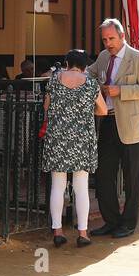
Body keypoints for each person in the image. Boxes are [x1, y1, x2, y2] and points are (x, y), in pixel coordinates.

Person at [87, 18, 139, 238]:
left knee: (132, 179)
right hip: (107, 121)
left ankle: (128, 224)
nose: (108, 43)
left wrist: (122, 91)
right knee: (103, 175)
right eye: (105, 39)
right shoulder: (103, 57)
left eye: (111, 38)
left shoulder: (138, 59)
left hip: (133, 126)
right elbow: (89, 73)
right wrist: (66, 74)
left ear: (122, 36)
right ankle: (111, 221)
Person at [41, 49, 108, 247]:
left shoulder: (54, 80)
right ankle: (83, 233)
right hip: (81, 139)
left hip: (57, 138)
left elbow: (47, 107)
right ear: (85, 66)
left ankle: (58, 231)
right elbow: (103, 110)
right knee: (81, 188)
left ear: (67, 63)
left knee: (58, 186)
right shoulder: (90, 84)